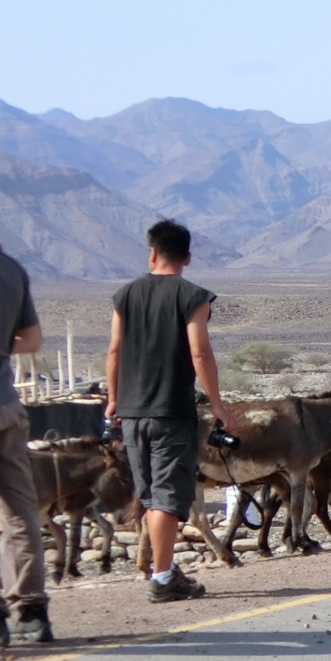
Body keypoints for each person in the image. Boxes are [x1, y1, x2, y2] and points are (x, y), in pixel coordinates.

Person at [104, 219, 234, 603]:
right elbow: (200, 352)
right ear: (188, 258)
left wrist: (113, 399)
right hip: (170, 413)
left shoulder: (124, 295)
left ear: (152, 253)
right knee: (165, 496)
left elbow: (114, 350)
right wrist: (217, 404)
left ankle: (161, 568)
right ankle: (162, 577)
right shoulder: (193, 296)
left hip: (131, 412)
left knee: (147, 493)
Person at [0, 243, 49, 646]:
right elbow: (31, 340)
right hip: (7, 408)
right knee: (19, 509)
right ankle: (31, 610)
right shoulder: (10, 269)